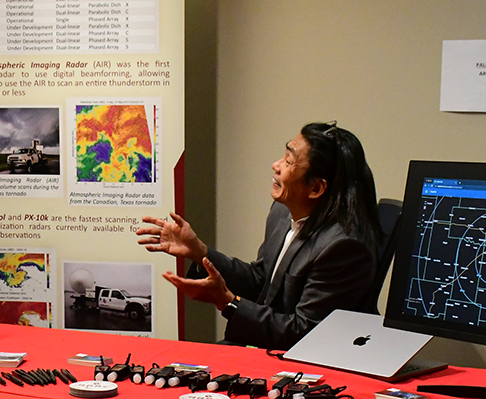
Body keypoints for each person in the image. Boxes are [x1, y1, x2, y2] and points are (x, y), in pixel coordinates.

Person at [138, 122, 380, 349]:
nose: (276, 165)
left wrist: (228, 301)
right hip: (269, 344)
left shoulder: (343, 246)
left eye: (288, 161)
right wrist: (200, 252)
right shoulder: (282, 213)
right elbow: (261, 282)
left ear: (316, 188)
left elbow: (305, 333)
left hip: (303, 361)